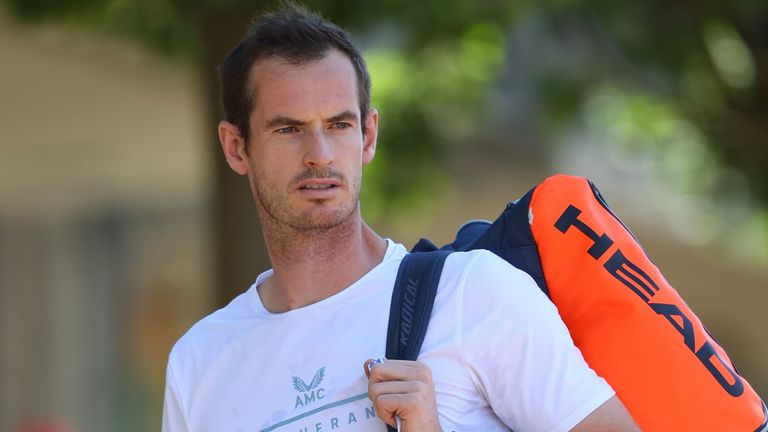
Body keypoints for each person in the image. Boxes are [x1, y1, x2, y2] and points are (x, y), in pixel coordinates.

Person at [162, 4, 639, 431]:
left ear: (368, 136)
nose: (319, 154)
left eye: (339, 125)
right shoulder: (200, 364)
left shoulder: (474, 295)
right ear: (236, 146)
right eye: (288, 129)